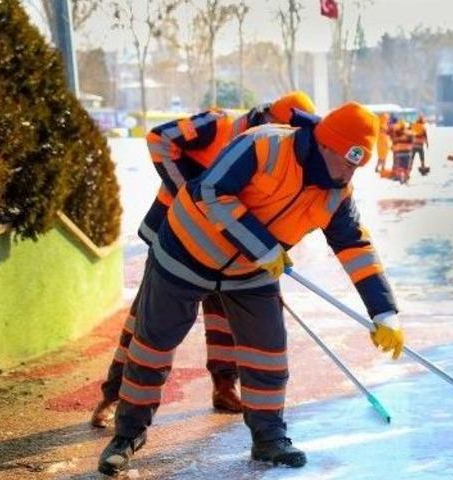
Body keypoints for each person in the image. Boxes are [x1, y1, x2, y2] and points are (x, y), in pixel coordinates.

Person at [97, 102, 405, 475]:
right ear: (325, 144)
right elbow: (210, 190)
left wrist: (383, 312)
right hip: (185, 252)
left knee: (268, 353)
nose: (349, 171)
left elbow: (354, 245)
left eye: (359, 163)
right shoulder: (263, 145)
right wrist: (263, 246)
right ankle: (127, 435)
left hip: (252, 272)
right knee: (153, 346)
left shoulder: (337, 192)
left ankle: (269, 438)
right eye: (347, 159)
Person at [90, 92, 317, 429]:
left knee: (224, 318)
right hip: (177, 240)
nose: (283, 140)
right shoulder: (218, 123)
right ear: (265, 115)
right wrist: (188, 193)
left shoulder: (281, 155)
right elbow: (160, 139)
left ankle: (224, 387)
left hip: (229, 247)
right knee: (147, 322)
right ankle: (113, 394)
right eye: (279, 128)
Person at [391, 118, 414, 184]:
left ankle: (401, 176)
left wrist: (393, 148)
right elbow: (412, 142)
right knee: (407, 167)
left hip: (399, 153)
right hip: (407, 152)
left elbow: (394, 143)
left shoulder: (396, 133)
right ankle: (406, 179)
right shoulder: (409, 133)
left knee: (400, 166)